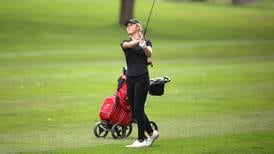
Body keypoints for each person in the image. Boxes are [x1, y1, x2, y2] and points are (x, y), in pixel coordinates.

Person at [120, 19, 159, 148]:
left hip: (142, 78)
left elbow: (149, 53)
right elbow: (127, 46)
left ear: (137, 27)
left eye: (131, 25)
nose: (128, 27)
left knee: (138, 108)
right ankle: (152, 133)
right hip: (130, 78)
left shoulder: (147, 42)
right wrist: (138, 42)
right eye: (127, 25)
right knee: (135, 110)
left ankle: (141, 140)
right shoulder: (125, 42)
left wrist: (143, 46)